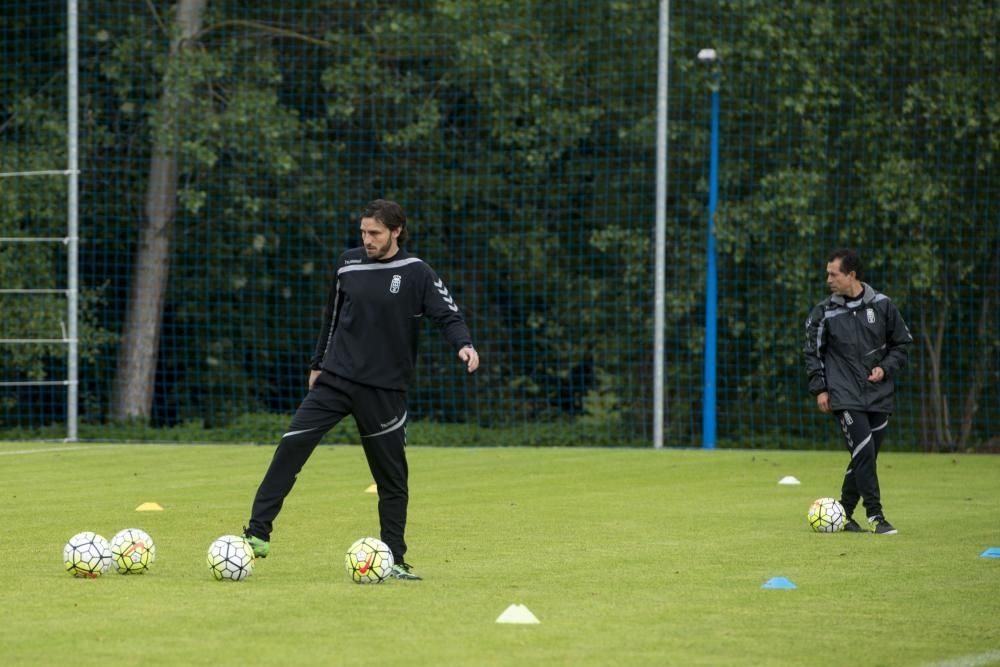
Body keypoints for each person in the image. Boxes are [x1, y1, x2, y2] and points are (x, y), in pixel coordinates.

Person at [243, 199, 479, 579]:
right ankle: (257, 534)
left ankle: (395, 559)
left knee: (392, 480)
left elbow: (447, 314)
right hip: (336, 378)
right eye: (363, 232)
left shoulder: (417, 272)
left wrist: (463, 344)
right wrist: (318, 363)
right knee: (291, 446)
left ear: (396, 231)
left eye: (375, 233)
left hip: (384, 390)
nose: (367, 240)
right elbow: (331, 317)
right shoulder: (347, 263)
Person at [803, 248, 911, 535]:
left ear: (851, 275)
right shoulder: (823, 312)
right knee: (863, 453)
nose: (828, 279)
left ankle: (844, 513)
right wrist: (820, 389)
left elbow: (901, 344)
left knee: (866, 456)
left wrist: (885, 369)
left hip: (879, 394)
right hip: (844, 394)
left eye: (833, 274)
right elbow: (812, 353)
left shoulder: (883, 305)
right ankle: (876, 516)